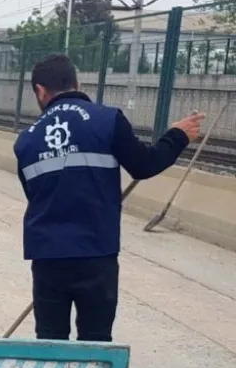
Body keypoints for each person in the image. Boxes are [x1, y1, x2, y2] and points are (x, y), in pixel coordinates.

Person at [13, 53, 205, 342]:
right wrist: (176, 136)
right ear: (77, 83)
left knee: (50, 342)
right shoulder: (107, 121)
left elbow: (35, 195)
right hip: (96, 253)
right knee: (95, 340)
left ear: (40, 91)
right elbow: (144, 165)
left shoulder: (26, 140)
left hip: (48, 256)